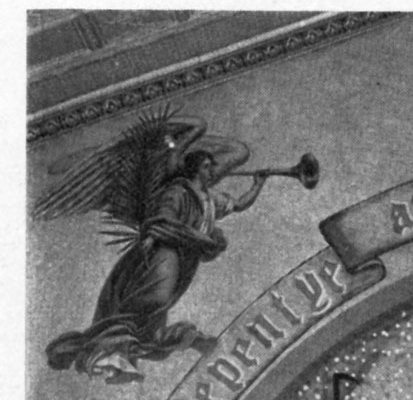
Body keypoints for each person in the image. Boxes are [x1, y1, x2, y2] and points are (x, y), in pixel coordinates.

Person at [46, 147, 267, 382]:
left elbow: (239, 204)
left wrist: (257, 184)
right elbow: (162, 222)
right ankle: (116, 340)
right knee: (158, 297)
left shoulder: (211, 201)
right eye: (206, 166)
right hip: (165, 250)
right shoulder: (178, 192)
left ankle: (164, 340)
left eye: (212, 166)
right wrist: (202, 239)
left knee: (158, 314)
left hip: (186, 261)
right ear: (194, 169)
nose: (212, 171)